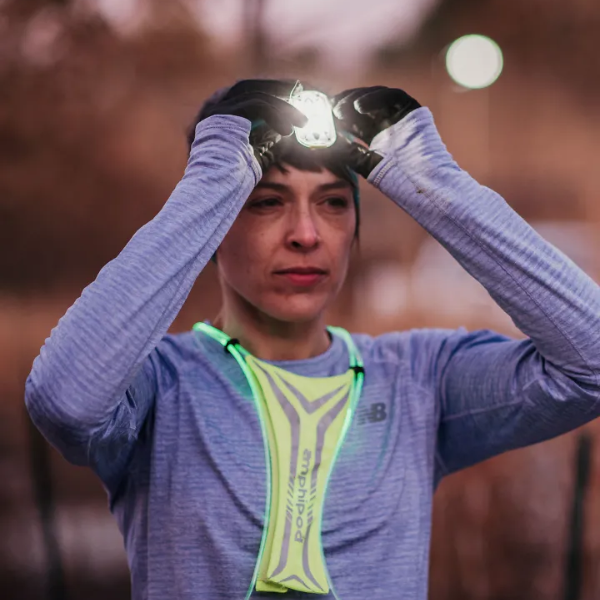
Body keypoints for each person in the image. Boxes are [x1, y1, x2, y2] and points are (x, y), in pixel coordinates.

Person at [25, 79, 600, 600]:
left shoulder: (419, 378)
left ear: (355, 227)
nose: (305, 235)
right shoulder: (159, 386)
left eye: (332, 203)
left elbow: (590, 363)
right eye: (267, 202)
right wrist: (212, 180)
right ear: (216, 218)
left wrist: (433, 179)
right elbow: (64, 399)